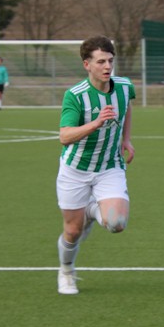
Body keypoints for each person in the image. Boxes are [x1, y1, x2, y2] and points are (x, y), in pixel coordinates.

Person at [55, 36, 135, 295]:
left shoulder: (124, 87)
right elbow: (64, 136)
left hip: (109, 167)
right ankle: (66, 271)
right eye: (101, 61)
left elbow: (127, 109)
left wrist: (126, 140)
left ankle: (92, 210)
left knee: (117, 223)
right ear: (86, 65)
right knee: (73, 231)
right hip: (75, 170)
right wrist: (95, 123)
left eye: (110, 61)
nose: (107, 66)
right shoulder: (75, 96)